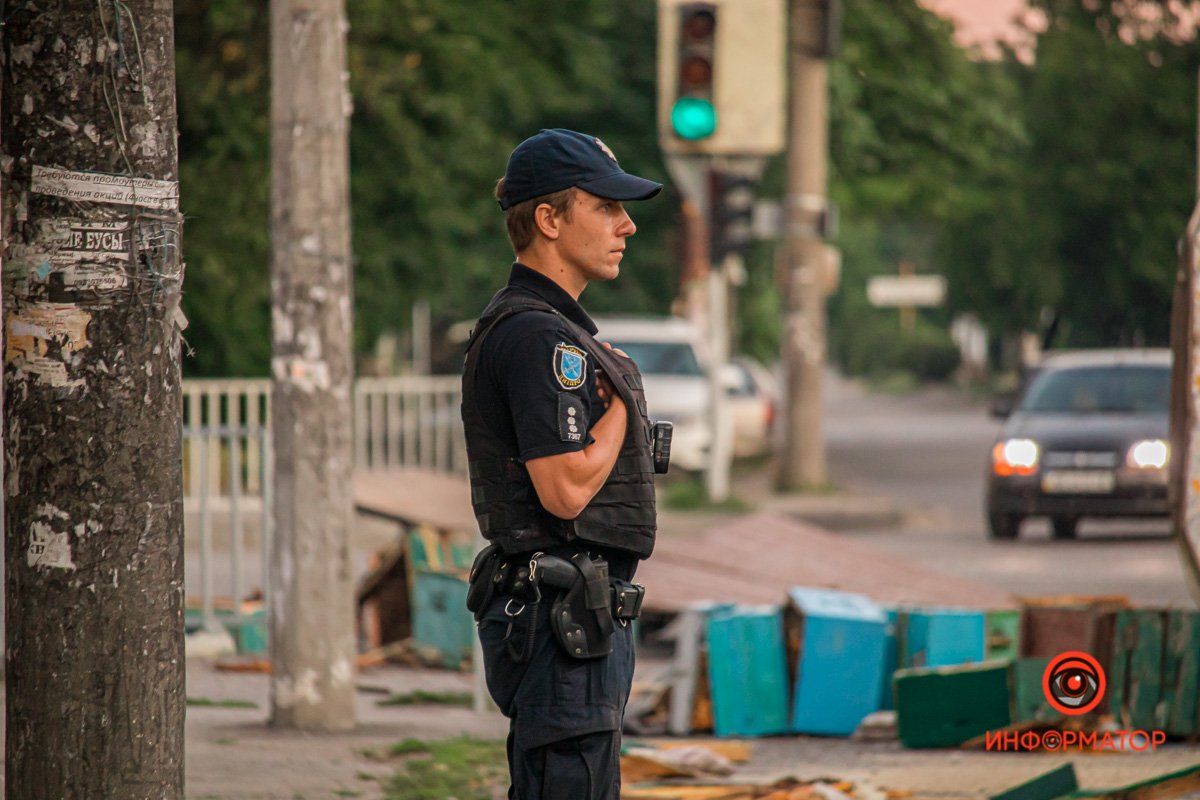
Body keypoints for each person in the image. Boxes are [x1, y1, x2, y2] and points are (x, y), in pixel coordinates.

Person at [461, 128, 664, 800]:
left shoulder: (551, 327)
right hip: (561, 627)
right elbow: (565, 490)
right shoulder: (538, 335)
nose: (626, 225)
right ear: (548, 220)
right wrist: (624, 414)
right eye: (606, 207)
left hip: (572, 623)